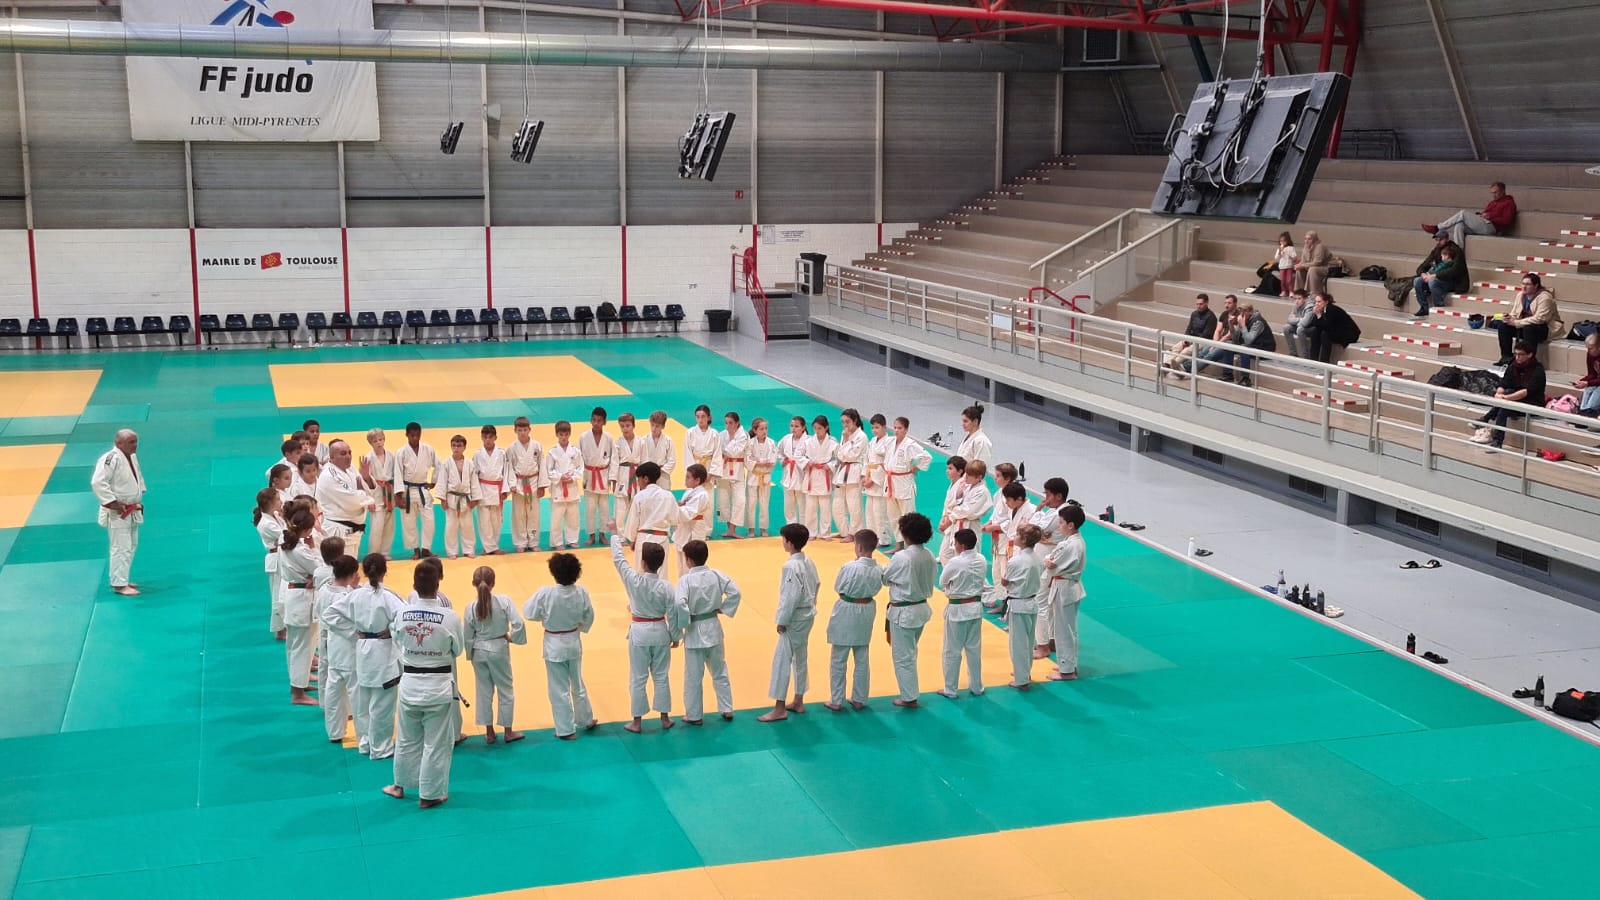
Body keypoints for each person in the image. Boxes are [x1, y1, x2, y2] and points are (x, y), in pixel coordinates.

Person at [381, 564, 464, 809]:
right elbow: (458, 649)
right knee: (436, 744)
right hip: (438, 686)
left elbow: (397, 639)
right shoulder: (449, 617)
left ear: (414, 585)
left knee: (407, 739)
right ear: (438, 584)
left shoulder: (402, 613)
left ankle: (399, 785)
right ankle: (429, 794)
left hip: (410, 684)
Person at [522, 552, 598, 740]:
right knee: (577, 682)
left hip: (553, 644)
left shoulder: (546, 593)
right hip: (573, 641)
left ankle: (565, 729)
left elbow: (529, 612)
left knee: (558, 689)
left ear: (553, 572)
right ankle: (585, 719)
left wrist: (543, 617)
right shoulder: (581, 592)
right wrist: (581, 627)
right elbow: (589, 616)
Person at [611, 536, 678, 733]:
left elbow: (619, 560)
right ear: (661, 564)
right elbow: (673, 614)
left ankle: (637, 722)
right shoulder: (666, 586)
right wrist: (675, 636)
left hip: (640, 632)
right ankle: (665, 718)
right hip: (661, 631)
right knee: (661, 676)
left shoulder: (634, 581)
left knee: (638, 678)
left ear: (642, 563)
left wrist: (615, 536)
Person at [757, 523, 821, 722]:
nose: (782, 542)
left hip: (795, 618)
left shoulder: (791, 566)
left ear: (790, 543)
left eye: (784, 539)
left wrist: (782, 620)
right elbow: (817, 584)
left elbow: (790, 597)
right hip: (808, 614)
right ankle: (799, 700)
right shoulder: (809, 562)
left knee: (782, 660)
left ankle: (779, 708)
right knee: (800, 657)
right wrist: (812, 605)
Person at [674, 539, 742, 724]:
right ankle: (727, 708)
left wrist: (683, 624)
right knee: (720, 670)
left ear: (688, 560)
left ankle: (694, 715)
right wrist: (723, 608)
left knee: (693, 677)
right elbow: (736, 592)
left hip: (694, 629)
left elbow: (679, 603)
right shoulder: (716, 575)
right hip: (713, 626)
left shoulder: (685, 580)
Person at [464, 565, 525, 744]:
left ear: (473, 583)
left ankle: (489, 732)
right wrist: (512, 637)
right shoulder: (504, 602)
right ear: (493, 583)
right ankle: (508, 731)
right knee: (505, 689)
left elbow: (467, 636)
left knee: (483, 691)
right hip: (498, 647)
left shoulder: (470, 607)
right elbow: (519, 623)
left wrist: (470, 655)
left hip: (479, 650)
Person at [351, 554, 404, 759]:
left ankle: (365, 742)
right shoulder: (389, 597)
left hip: (363, 648)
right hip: (383, 653)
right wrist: (391, 630)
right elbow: (405, 620)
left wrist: (354, 630)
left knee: (364, 702)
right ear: (385, 571)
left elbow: (331, 614)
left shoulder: (355, 595)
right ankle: (381, 747)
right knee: (382, 705)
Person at [883, 512, 937, 708]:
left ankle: (909, 697)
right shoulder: (929, 555)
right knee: (910, 653)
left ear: (904, 533)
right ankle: (910, 693)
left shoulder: (902, 557)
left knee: (903, 656)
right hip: (920, 608)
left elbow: (885, 578)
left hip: (904, 612)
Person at [825, 529, 883, 711]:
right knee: (862, 656)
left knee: (839, 658)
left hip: (847, 608)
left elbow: (838, 587)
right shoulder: (879, 569)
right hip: (867, 608)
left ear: (858, 547)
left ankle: (836, 700)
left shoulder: (849, 567)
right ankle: (859, 698)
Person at [91, 429, 146, 596]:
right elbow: (97, 482)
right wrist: (112, 503)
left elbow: (137, 477)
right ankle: (119, 584)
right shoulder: (110, 459)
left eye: (136, 441)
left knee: (131, 545)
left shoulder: (132, 457)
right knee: (120, 547)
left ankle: (122, 578)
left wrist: (139, 492)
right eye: (131, 442)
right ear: (118, 443)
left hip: (132, 508)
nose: (135, 445)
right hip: (118, 512)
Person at [279, 508, 322, 707]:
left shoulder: (286, 542)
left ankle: (299, 684)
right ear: (307, 530)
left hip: (293, 595)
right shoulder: (300, 549)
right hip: (302, 598)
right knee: (303, 647)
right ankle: (297, 693)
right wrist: (313, 549)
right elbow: (320, 568)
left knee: (295, 645)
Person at [1471, 340, 1548, 450]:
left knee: (1505, 405)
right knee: (1506, 401)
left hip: (1532, 402)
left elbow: (1526, 392)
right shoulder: (1513, 366)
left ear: (1530, 355)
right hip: (1514, 400)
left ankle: (1491, 427)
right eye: (1516, 354)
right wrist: (1499, 393)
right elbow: (1504, 383)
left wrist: (1506, 398)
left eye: (1521, 354)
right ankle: (1496, 439)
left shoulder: (1538, 370)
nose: (1517, 357)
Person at [317, 554, 362, 742]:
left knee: (334, 689)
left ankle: (334, 732)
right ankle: (363, 734)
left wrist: (353, 588)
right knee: (356, 692)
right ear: (352, 575)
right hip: (348, 647)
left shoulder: (324, 590)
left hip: (331, 644)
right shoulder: (346, 597)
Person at [938, 528, 987, 699]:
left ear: (962, 545)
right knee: (974, 649)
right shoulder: (981, 559)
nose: (955, 546)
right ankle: (977, 686)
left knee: (952, 651)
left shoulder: (955, 562)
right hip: (975, 607)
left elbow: (943, 581)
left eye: (956, 543)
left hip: (958, 609)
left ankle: (950, 689)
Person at [1042, 504, 1088, 681]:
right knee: (1067, 628)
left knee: (1064, 630)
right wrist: (1049, 560)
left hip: (1065, 587)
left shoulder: (1072, 545)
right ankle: (1068, 663)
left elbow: (1052, 564)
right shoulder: (1071, 542)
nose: (1058, 525)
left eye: (1061, 522)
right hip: (1065, 586)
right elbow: (1050, 558)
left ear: (1071, 525)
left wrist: (1048, 561)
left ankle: (1067, 670)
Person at [1028, 478, 1068, 660]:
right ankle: (1051, 640)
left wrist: (1037, 513)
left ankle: (1043, 645)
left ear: (1058, 496)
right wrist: (1038, 513)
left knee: (1040, 601)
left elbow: (1035, 529)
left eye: (1048, 495)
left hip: (1049, 560)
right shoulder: (1054, 511)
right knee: (1050, 603)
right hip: (1048, 557)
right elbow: (1038, 530)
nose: (1045, 498)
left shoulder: (1059, 513)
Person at [1001, 524, 1044, 690]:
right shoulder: (1037, 558)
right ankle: (1025, 672)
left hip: (1018, 603)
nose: (1015, 536)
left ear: (1024, 539)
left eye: (1018, 534)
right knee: (1028, 641)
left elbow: (1005, 581)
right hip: (1032, 602)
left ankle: (1021, 680)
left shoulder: (1016, 561)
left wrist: (1005, 576)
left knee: (1018, 643)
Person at [882, 417, 932, 549]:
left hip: (904, 482)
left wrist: (916, 467)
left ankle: (912, 545)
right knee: (893, 516)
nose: (896, 430)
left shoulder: (910, 444)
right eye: (895, 427)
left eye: (900, 428)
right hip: (890, 482)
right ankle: (899, 544)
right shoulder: (890, 442)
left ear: (906, 430)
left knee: (908, 517)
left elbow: (927, 457)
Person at [316, 439, 376, 545]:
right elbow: (353, 501)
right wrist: (365, 497)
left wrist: (366, 478)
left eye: (349, 452)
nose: (348, 456)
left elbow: (366, 490)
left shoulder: (350, 468)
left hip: (354, 531)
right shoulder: (329, 475)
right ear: (332, 457)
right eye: (343, 453)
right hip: (338, 531)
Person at [393, 423, 438, 560]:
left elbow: (439, 466)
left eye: (418, 435)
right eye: (412, 435)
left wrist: (433, 482)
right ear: (406, 435)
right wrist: (398, 496)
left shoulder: (428, 449)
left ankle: (426, 549)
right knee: (409, 523)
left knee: (429, 521)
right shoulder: (401, 452)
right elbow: (397, 473)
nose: (415, 438)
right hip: (407, 491)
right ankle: (416, 550)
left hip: (423, 490)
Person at [1497, 274, 1563, 366]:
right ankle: (1506, 358)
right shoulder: (1520, 295)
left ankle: (1529, 361)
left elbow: (1540, 319)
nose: (1524, 287)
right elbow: (1515, 313)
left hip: (1544, 328)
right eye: (1523, 284)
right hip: (1524, 324)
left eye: (1527, 284)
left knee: (1529, 329)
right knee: (1503, 327)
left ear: (1536, 286)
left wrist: (1516, 323)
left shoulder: (1545, 297)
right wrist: (1509, 318)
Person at [1424, 181, 1517, 245]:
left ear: (1503, 191)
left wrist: (1490, 217)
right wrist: (1481, 215)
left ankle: (1438, 227)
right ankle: (1458, 252)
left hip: (1492, 227)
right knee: (1459, 225)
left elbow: (1506, 220)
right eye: (1492, 193)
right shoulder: (1492, 203)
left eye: (1496, 192)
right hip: (1484, 224)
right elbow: (1486, 213)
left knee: (1463, 213)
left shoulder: (1509, 202)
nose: (1493, 195)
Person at [506, 416, 547, 553]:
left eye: (524, 430)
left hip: (534, 482)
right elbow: (509, 468)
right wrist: (512, 484)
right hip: (518, 484)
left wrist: (542, 486)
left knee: (533, 513)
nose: (522, 432)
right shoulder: (511, 448)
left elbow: (542, 465)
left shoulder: (537, 446)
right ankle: (520, 542)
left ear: (529, 429)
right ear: (515, 430)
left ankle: (533, 542)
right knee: (519, 514)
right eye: (519, 430)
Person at [938, 458, 992, 563]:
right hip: (957, 523)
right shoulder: (966, 486)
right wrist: (958, 495)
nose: (965, 477)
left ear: (979, 477)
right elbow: (955, 503)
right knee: (946, 554)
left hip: (970, 526)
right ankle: (953, 572)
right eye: (966, 474)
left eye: (969, 475)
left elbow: (967, 511)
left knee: (968, 558)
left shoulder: (982, 491)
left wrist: (950, 518)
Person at [436, 435, 481, 559]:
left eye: (459, 446)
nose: (456, 448)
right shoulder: (446, 463)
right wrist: (442, 499)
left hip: (466, 499)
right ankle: (452, 551)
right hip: (451, 499)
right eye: (454, 446)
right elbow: (442, 481)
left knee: (468, 526)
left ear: (464, 447)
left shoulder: (470, 464)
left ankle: (469, 550)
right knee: (451, 527)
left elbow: (474, 482)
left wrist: (475, 499)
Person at [981, 465, 1022, 589]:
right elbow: (996, 513)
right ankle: (1000, 595)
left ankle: (1006, 597)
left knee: (1005, 567)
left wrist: (995, 527)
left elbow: (1013, 520)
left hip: (1006, 537)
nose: (995, 478)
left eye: (998, 476)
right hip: (996, 537)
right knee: (996, 569)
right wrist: (989, 522)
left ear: (1007, 478)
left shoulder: (1012, 496)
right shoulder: (999, 493)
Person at [544, 420, 583, 550]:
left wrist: (572, 477)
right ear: (557, 434)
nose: (564, 437)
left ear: (569, 434)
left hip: (572, 487)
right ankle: (557, 542)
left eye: (566, 434)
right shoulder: (552, 452)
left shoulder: (575, 451)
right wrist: (560, 476)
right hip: (558, 488)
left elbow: (580, 468)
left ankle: (572, 540)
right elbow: (549, 471)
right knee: (556, 518)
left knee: (573, 517)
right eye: (561, 434)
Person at [831, 408, 868, 542]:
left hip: (854, 471)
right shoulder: (845, 435)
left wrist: (846, 441)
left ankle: (854, 533)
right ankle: (844, 531)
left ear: (855, 421)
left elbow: (852, 455)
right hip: (842, 472)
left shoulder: (861, 436)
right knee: (837, 506)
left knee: (854, 506)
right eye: (843, 422)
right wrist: (845, 441)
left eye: (847, 422)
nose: (845, 425)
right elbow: (840, 455)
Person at [1410, 233, 1470, 316]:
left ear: (1447, 239)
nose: (1438, 242)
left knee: (1433, 282)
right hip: (1440, 278)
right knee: (1417, 281)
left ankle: (1439, 307)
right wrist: (1423, 275)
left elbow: (1454, 271)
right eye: (1437, 240)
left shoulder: (1456, 251)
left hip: (1455, 282)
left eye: (1440, 240)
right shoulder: (1437, 250)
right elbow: (1423, 266)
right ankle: (1424, 307)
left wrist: (1435, 275)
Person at [579, 407, 614, 546]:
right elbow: (579, 458)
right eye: (593, 420)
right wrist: (581, 475)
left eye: (599, 420)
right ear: (590, 420)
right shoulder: (583, 437)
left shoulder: (609, 438)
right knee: (590, 508)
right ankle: (591, 535)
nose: (596, 423)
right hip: (589, 476)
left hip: (603, 476)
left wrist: (612, 477)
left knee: (604, 508)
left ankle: (603, 534)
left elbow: (613, 459)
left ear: (604, 422)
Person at [799, 414, 838, 541]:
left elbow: (838, 459)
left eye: (820, 428)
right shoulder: (808, 441)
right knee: (810, 508)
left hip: (825, 476)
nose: (817, 431)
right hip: (812, 475)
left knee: (825, 508)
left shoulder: (833, 442)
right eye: (815, 428)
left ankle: (825, 533)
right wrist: (807, 462)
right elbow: (799, 455)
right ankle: (811, 532)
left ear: (826, 428)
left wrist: (829, 465)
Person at [610, 413, 648, 539]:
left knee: (636, 508)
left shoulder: (641, 442)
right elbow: (614, 462)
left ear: (633, 425)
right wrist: (613, 479)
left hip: (637, 475)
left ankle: (634, 536)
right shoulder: (617, 443)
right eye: (622, 426)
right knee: (620, 509)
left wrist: (645, 480)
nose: (625, 428)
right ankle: (620, 536)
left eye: (628, 425)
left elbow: (644, 461)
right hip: (622, 475)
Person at [1164, 294, 1220, 378]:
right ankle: (1167, 365)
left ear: (1206, 303)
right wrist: (1186, 339)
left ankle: (1175, 366)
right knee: (1177, 347)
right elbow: (1189, 328)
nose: (1198, 306)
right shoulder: (1194, 314)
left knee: (1186, 351)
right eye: (1197, 304)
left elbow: (1206, 334)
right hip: (1191, 339)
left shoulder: (1211, 317)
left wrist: (1191, 342)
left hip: (1203, 341)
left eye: (1201, 304)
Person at [254, 487, 286, 637]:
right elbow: (287, 535)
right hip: (276, 559)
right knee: (278, 593)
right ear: (270, 503)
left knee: (283, 592)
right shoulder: (266, 523)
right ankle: (279, 629)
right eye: (278, 499)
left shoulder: (276, 516)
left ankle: (283, 626)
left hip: (282, 556)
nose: (281, 502)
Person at [473, 425, 509, 556]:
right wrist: (475, 493)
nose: (488, 440)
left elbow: (507, 472)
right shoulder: (477, 454)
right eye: (485, 437)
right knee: (484, 521)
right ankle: (488, 547)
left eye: (490, 437)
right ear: (482, 438)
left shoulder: (502, 453)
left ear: (495, 437)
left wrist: (505, 490)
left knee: (496, 520)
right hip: (482, 488)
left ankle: (493, 546)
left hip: (497, 489)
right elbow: (474, 475)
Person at [362, 429, 397, 559]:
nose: (378, 443)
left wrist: (398, 494)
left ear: (384, 439)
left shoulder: (391, 456)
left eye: (380, 439)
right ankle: (374, 553)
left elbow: (397, 475)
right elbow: (365, 481)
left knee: (389, 525)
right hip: (376, 494)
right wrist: (368, 500)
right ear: (370, 443)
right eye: (375, 441)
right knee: (377, 526)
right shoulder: (368, 458)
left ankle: (384, 552)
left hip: (389, 492)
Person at [684, 404, 722, 524]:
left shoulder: (715, 434)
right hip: (695, 467)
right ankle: (692, 526)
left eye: (703, 416)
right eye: (698, 416)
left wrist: (710, 474)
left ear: (709, 417)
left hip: (709, 467)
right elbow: (687, 453)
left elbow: (717, 455)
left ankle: (707, 530)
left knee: (708, 501)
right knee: (693, 500)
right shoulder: (690, 432)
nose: (700, 419)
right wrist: (693, 475)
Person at [715, 411, 749, 538]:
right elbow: (716, 450)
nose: (728, 426)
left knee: (740, 501)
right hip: (723, 471)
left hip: (737, 471)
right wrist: (722, 453)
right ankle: (729, 529)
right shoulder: (721, 435)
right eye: (726, 423)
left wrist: (723, 452)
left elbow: (735, 452)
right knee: (723, 501)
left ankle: (733, 529)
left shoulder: (743, 435)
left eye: (730, 423)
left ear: (737, 423)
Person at [743, 417, 778, 537]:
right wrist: (762, 462)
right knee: (751, 503)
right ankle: (751, 528)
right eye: (761, 429)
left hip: (765, 477)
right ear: (755, 430)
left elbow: (772, 461)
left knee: (764, 504)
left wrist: (758, 460)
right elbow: (747, 460)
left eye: (766, 428)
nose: (764, 431)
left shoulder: (771, 443)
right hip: (753, 476)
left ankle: (763, 528)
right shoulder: (750, 443)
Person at [861, 414, 892, 547]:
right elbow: (866, 460)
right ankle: (872, 537)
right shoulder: (872, 441)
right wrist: (864, 476)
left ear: (884, 427)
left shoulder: (889, 442)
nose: (874, 430)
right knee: (869, 513)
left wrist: (873, 480)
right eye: (873, 427)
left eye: (877, 427)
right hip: (870, 476)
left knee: (880, 513)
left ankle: (884, 538)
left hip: (880, 481)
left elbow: (886, 464)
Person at [1304, 293, 1361, 364]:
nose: (1316, 304)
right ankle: (1313, 359)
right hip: (1335, 331)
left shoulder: (1331, 309)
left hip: (1349, 334)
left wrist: (1318, 315)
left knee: (1325, 334)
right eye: (1315, 302)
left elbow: (1327, 326)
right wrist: (1316, 314)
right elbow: (1314, 324)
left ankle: (1324, 361)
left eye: (1319, 302)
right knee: (1315, 331)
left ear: (1326, 302)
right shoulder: (1320, 309)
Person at [675, 463, 712, 573]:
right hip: (684, 528)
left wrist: (674, 508)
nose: (685, 479)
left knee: (690, 565)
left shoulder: (702, 494)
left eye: (688, 477)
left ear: (697, 480)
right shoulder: (689, 491)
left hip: (694, 529)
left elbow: (688, 513)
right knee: (681, 565)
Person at [1227, 303, 1275, 387]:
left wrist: (1243, 326)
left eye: (1244, 311)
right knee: (1228, 345)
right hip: (1253, 345)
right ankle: (1227, 374)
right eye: (1241, 312)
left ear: (1250, 312)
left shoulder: (1258, 322)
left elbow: (1248, 341)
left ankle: (1245, 379)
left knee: (1244, 348)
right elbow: (1235, 340)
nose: (1242, 314)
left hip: (1264, 347)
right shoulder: (1244, 320)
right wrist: (1231, 325)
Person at [777, 415, 808, 526]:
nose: (793, 428)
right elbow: (778, 451)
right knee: (789, 507)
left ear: (803, 427)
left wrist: (804, 462)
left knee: (803, 507)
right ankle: (791, 528)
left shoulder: (809, 440)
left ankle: (804, 529)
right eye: (791, 426)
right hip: (788, 476)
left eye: (796, 426)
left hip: (802, 476)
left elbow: (812, 456)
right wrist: (783, 460)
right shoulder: (786, 439)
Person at [642, 410, 676, 489]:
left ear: (663, 426)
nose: (653, 429)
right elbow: (641, 459)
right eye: (652, 425)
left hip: (662, 475)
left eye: (657, 426)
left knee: (663, 495)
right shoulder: (643, 440)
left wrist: (659, 470)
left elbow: (672, 461)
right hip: (648, 475)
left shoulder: (668, 440)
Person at [1280, 289, 1315, 359]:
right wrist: (1300, 319)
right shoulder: (1296, 306)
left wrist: (1296, 319)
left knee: (1300, 329)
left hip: (1311, 329)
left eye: (1299, 298)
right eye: (1295, 299)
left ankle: (1306, 356)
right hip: (1300, 326)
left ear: (1305, 299)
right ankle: (1293, 353)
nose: (1296, 301)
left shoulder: (1310, 307)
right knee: (1286, 327)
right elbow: (1289, 320)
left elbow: (1305, 323)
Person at [1573, 333, 1600, 417]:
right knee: (1589, 389)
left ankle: (1589, 410)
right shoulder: (1590, 355)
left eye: (1591, 348)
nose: (1588, 351)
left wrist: (1588, 383)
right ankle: (1583, 410)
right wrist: (1582, 381)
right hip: (1597, 381)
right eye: (1587, 348)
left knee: (1595, 391)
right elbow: (1592, 374)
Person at [1273, 231, 1298, 297]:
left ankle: (1291, 291)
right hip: (1282, 266)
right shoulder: (1279, 249)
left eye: (1284, 241)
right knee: (1282, 280)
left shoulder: (1291, 248)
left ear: (1287, 241)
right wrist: (1279, 252)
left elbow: (1295, 257)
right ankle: (1284, 291)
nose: (1282, 242)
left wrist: (1289, 254)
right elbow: (1276, 258)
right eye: (1281, 241)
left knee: (1289, 280)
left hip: (1289, 266)